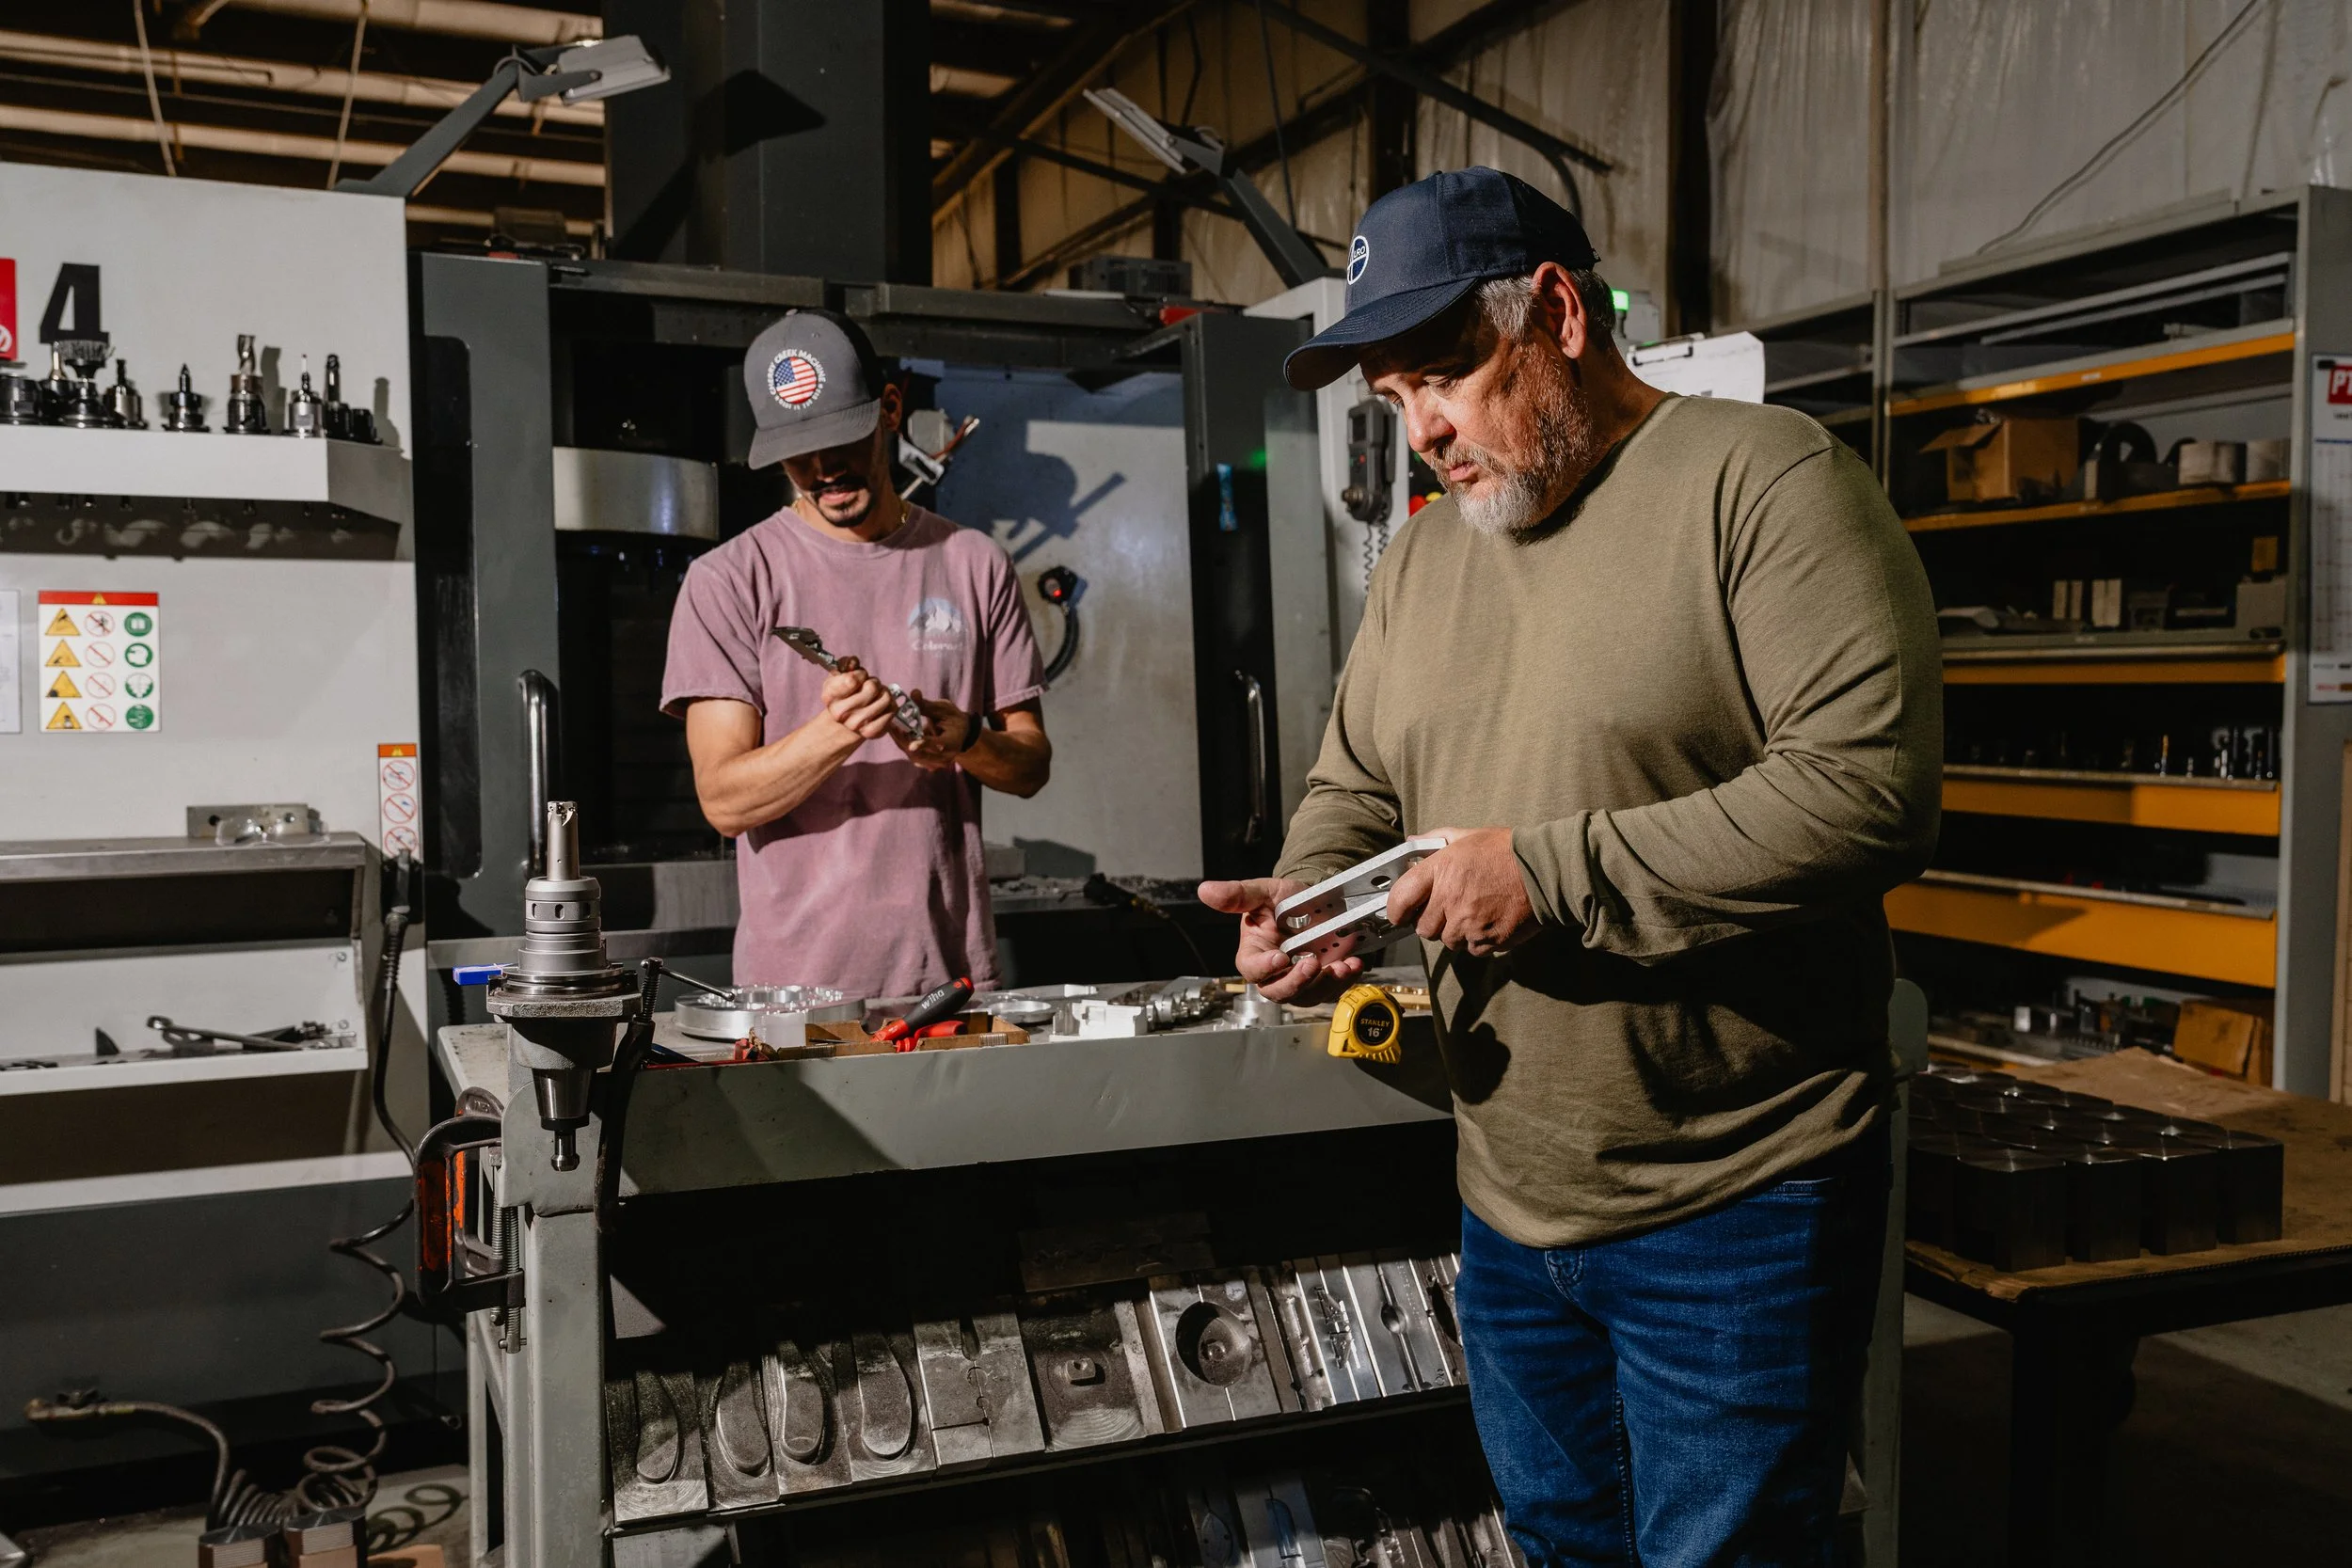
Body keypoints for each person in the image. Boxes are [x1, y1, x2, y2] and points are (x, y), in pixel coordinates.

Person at [1200, 167, 1940, 1565]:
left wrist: (1547, 872)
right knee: (1558, 1546)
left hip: (1736, 1198)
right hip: (1508, 1195)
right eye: (1390, 399)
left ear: (1557, 313)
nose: (1421, 429)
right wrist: (1310, 898)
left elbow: (1870, 793)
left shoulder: (1763, 483)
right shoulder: (1422, 563)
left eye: (1442, 377)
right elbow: (1356, 778)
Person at [662, 309, 1050, 999]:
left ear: (891, 409)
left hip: (952, 983)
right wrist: (835, 733)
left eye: (841, 437)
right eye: (798, 451)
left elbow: (1030, 765)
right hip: (791, 996)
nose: (823, 469)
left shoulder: (974, 564)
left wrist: (965, 737)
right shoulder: (729, 579)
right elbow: (722, 799)